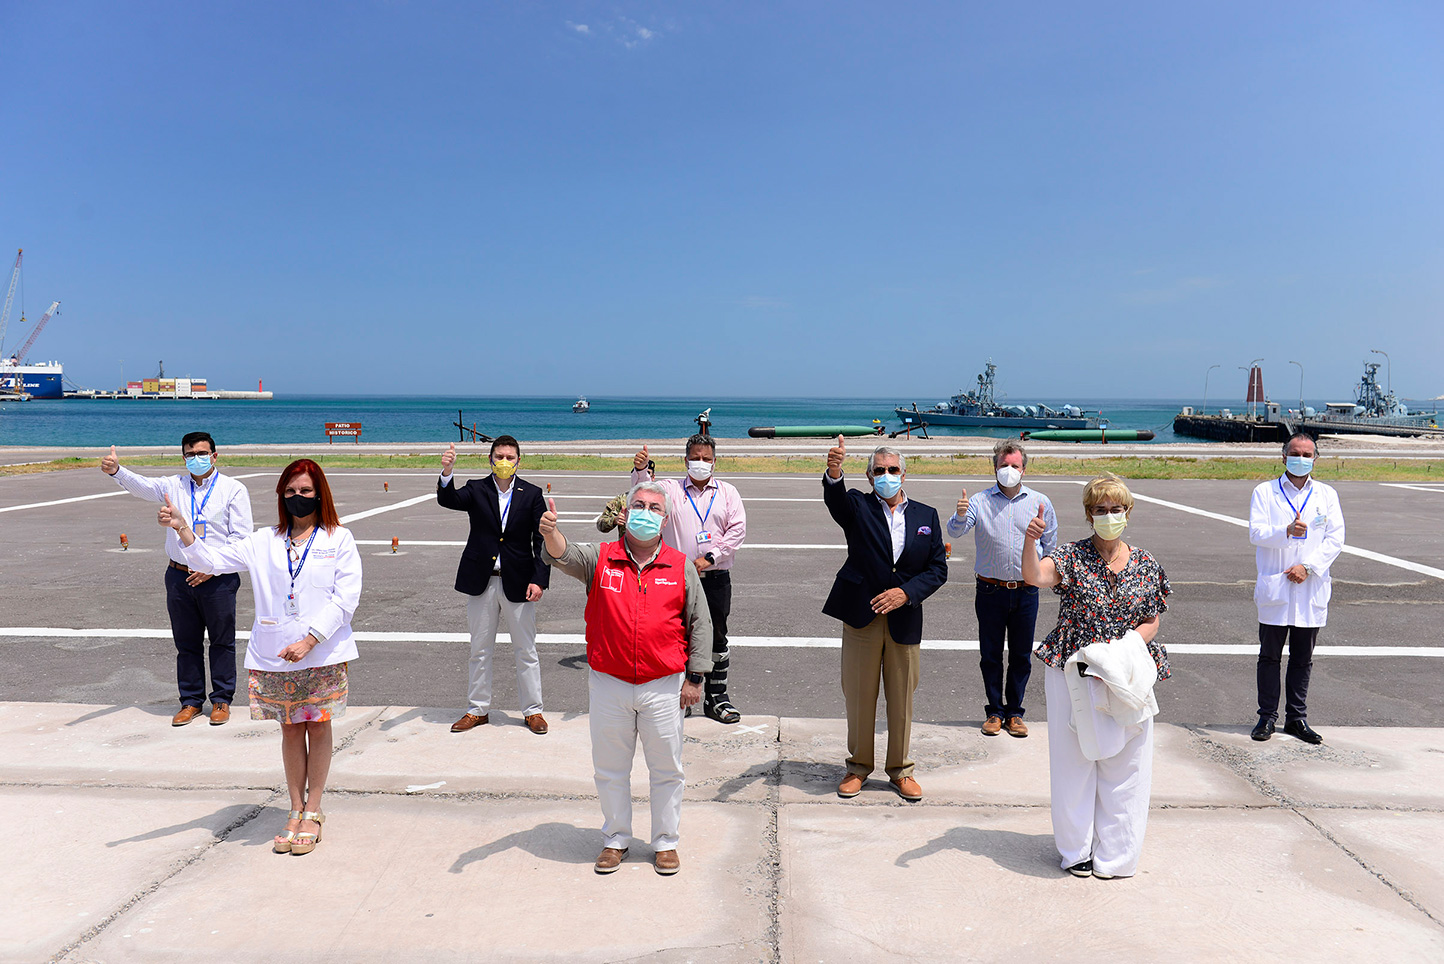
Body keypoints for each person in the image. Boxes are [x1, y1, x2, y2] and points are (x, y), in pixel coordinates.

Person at [159, 459, 361, 856]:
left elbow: (345, 598)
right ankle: (294, 807)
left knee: (317, 727)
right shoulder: (263, 540)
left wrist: (310, 639)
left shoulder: (339, 538)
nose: (297, 498)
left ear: (320, 493)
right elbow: (211, 561)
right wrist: (182, 527)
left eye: (305, 491)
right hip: (275, 652)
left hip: (321, 651)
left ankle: (314, 811)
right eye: (290, 492)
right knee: (289, 729)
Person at [540, 482, 713, 876]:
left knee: (667, 769)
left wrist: (696, 678)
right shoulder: (601, 559)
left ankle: (666, 842)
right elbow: (563, 554)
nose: (646, 512)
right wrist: (551, 532)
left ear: (664, 519)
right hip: (609, 684)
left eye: (654, 507)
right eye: (639, 504)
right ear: (625, 512)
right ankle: (615, 839)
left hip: (664, 684)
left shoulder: (679, 564)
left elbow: (700, 623)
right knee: (610, 768)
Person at [1023, 474, 1171, 880]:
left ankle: (1118, 855)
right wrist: (1030, 541)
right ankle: (1075, 851)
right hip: (1076, 669)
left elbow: (1152, 620)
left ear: (1128, 511)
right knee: (1075, 762)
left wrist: (1119, 654)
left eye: (1116, 509)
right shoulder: (1071, 556)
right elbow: (1035, 577)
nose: (1109, 516)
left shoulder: (1145, 562)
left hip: (1126, 673)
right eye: (1101, 510)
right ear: (1089, 515)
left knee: (1128, 765)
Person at [822, 437, 948, 802]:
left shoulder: (926, 516)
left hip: (904, 616)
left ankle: (901, 770)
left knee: (902, 698)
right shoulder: (857, 506)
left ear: (904, 475)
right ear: (869, 475)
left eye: (893, 470)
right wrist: (833, 473)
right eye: (880, 471)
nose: (887, 476)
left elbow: (937, 568)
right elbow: (836, 501)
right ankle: (858, 767)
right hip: (862, 615)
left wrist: (906, 593)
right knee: (860, 695)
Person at [102, 433, 253, 726]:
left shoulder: (233, 490)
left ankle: (222, 700)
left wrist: (213, 567)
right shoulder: (174, 485)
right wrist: (117, 471)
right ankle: (191, 701)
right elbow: (143, 486)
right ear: (183, 458)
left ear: (215, 455)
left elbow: (241, 539)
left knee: (222, 641)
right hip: (179, 575)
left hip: (217, 577)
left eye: (202, 452)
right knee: (186, 643)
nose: (197, 458)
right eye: (190, 454)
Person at [438, 435, 551, 735]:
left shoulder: (532, 494)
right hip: (482, 581)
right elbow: (448, 499)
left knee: (526, 650)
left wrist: (539, 580)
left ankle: (533, 711)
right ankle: (477, 710)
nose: (504, 462)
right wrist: (447, 473)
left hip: (519, 582)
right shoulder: (477, 488)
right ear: (490, 459)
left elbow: (540, 540)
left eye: (510, 457)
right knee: (480, 649)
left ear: (518, 461)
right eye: (499, 456)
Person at [632, 436, 748, 723]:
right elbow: (643, 496)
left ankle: (717, 697)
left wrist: (710, 557)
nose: (701, 463)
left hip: (715, 576)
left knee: (716, 636)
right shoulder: (670, 489)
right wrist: (642, 470)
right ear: (685, 461)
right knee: (675, 635)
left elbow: (737, 530)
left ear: (714, 462)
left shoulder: (728, 493)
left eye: (707, 458)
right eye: (695, 457)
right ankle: (679, 697)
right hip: (676, 577)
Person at [947, 439, 1057, 738]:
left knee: (1021, 655)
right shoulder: (980, 502)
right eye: (1003, 465)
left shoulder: (1039, 502)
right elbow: (954, 532)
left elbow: (1051, 548)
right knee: (991, 654)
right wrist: (959, 514)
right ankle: (994, 711)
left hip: (1026, 590)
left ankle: (1015, 713)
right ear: (995, 468)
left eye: (1014, 466)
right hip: (990, 590)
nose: (1009, 470)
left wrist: (1043, 574)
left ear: (1024, 469)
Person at [1247, 433, 1345, 745]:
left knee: (1303, 658)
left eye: (1306, 454)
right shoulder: (1265, 492)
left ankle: (1296, 718)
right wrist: (1285, 531)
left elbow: (1335, 538)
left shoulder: (1326, 495)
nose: (1300, 458)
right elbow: (1257, 533)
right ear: (1283, 455)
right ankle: (1266, 717)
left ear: (1315, 459)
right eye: (1295, 453)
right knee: (1270, 656)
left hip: (1310, 586)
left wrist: (1309, 566)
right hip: (1276, 586)